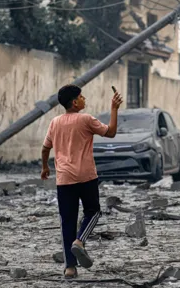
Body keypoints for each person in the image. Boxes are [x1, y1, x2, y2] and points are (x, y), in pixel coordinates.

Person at [40, 84, 123, 278]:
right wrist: (114, 109)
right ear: (75, 102)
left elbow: (45, 148)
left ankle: (70, 267)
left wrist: (45, 167)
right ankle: (80, 241)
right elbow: (110, 132)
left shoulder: (55, 122)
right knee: (93, 212)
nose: (85, 99)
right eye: (82, 96)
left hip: (64, 179)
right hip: (86, 176)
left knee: (67, 221)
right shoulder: (86, 119)